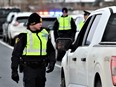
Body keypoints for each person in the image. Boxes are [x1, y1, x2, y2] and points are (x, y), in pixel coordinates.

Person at [11, 12, 56, 87]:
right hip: (29, 68)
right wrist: (14, 71)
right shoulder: (24, 35)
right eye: (39, 23)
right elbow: (16, 54)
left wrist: (52, 62)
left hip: (41, 68)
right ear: (32, 23)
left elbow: (51, 50)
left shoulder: (44, 34)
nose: (41, 24)